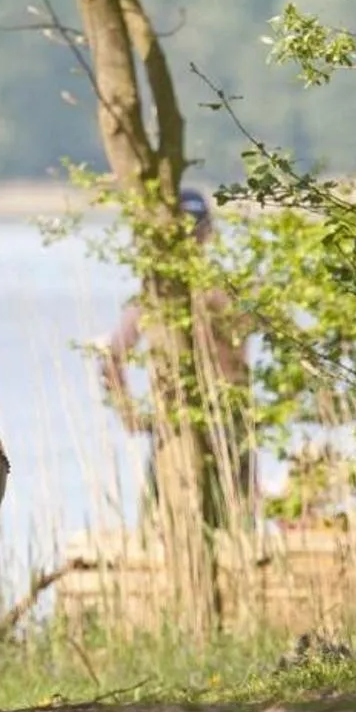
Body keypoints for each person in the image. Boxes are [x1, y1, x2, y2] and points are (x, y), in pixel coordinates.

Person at [98, 188, 257, 523]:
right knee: (225, 525)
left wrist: (132, 415)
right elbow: (111, 356)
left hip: (196, 424)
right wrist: (132, 416)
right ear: (209, 232)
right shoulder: (231, 290)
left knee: (174, 526)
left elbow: (112, 355)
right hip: (207, 423)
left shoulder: (160, 294)